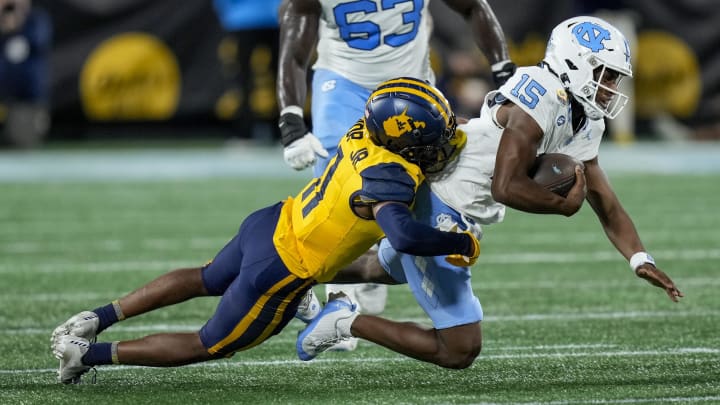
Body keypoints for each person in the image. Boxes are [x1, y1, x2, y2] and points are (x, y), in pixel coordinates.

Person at [295, 16, 684, 369]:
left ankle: (293, 278)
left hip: (460, 204)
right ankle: (345, 323)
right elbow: (506, 185)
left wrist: (639, 258)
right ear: (576, 63)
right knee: (459, 348)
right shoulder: (541, 94)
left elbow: (606, 202)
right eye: (607, 75)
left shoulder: (585, 118)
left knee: (381, 267)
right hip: (446, 200)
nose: (611, 87)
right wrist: (561, 205)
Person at [49, 77, 478, 384]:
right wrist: (459, 240)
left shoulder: (365, 128)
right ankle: (88, 354)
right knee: (209, 344)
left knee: (206, 276)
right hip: (281, 270)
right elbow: (402, 237)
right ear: (400, 140)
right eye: (426, 141)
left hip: (272, 222)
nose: (436, 148)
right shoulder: (390, 176)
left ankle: (96, 318)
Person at [276, 0, 515, 341]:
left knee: (422, 189)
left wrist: (505, 69)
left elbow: (473, 7)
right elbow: (295, 50)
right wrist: (291, 119)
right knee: (341, 194)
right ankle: (335, 298)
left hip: (412, 89)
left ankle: (378, 268)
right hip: (343, 82)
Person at [212, 0, 282, 143]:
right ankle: (280, 132)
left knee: (245, 80)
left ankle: (246, 133)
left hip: (245, 21)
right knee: (280, 79)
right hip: (264, 19)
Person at [0, 0, 51, 148]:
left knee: (22, 146)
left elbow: (38, 42)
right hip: (3, 98)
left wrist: (16, 24)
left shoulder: (36, 20)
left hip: (26, 103)